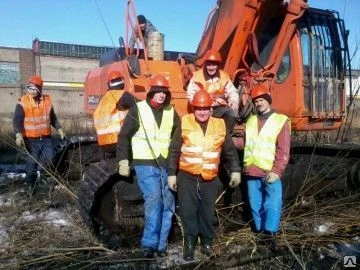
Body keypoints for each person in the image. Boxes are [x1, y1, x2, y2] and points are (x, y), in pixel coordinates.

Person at [167, 89, 241, 261]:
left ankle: (207, 242)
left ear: (211, 109)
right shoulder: (184, 122)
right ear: (193, 108)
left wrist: (235, 170)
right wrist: (171, 173)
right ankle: (190, 243)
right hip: (187, 175)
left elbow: (229, 151)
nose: (202, 111)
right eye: (198, 108)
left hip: (209, 176)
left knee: (207, 211)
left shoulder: (220, 125)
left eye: (205, 108)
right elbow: (174, 149)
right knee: (188, 211)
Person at [117, 74, 181, 258]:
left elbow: (175, 143)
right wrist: (122, 159)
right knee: (154, 201)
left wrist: (172, 171)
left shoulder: (172, 112)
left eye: (164, 91)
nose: (161, 94)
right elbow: (124, 136)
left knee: (168, 204)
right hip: (145, 163)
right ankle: (149, 244)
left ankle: (161, 245)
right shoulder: (138, 109)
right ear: (151, 91)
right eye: (158, 91)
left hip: (166, 164)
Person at [243, 84, 291, 250]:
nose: (258, 103)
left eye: (261, 100)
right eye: (256, 101)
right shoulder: (251, 121)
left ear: (268, 101)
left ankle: (270, 234)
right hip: (252, 171)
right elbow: (246, 143)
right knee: (255, 204)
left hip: (270, 173)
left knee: (272, 203)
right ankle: (260, 232)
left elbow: (283, 149)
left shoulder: (280, 120)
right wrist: (225, 141)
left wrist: (277, 171)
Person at [13, 75, 65, 188]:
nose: (31, 91)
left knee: (50, 159)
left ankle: (44, 178)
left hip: (46, 139)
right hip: (30, 140)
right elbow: (17, 120)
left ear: (39, 89)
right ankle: (30, 185)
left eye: (34, 89)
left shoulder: (47, 100)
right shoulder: (23, 101)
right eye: (29, 88)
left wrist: (59, 128)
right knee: (31, 164)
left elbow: (52, 117)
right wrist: (18, 134)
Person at [187, 49, 240, 131]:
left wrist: (233, 101)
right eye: (209, 65)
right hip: (203, 108)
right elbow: (191, 95)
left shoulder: (224, 76)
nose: (211, 68)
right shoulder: (197, 77)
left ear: (218, 65)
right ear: (205, 64)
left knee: (232, 112)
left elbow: (232, 91)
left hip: (219, 107)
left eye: (214, 65)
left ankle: (224, 135)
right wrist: (205, 106)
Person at [93, 70, 136, 159]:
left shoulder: (104, 98)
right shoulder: (123, 95)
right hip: (118, 140)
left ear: (109, 85)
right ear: (122, 83)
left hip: (103, 142)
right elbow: (140, 107)